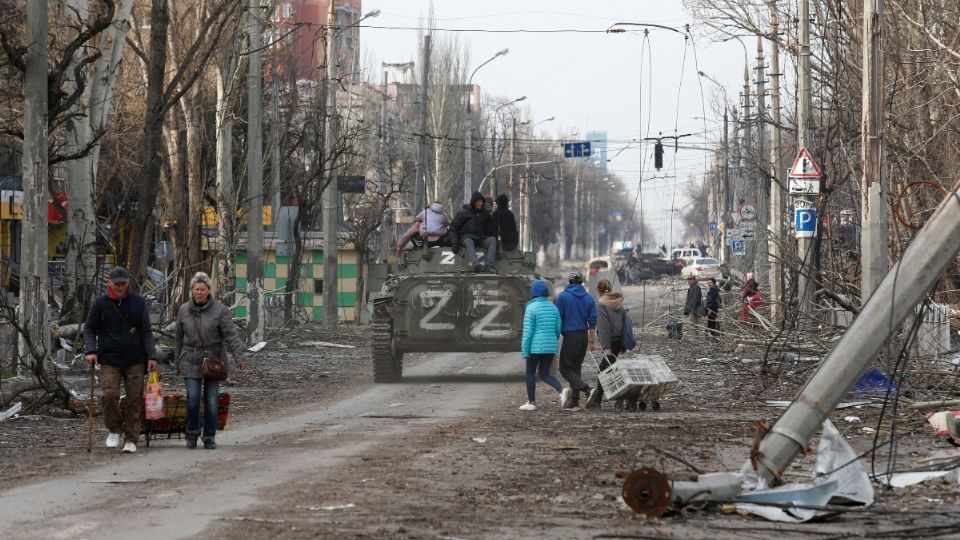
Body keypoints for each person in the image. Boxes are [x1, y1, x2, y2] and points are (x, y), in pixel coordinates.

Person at [83, 266, 158, 454]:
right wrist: (91, 350)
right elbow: (90, 329)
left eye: (123, 284)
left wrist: (152, 356)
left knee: (134, 399)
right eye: (116, 284)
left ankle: (131, 438)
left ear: (128, 284)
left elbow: (146, 331)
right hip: (109, 358)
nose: (119, 287)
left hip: (135, 358)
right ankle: (114, 429)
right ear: (109, 283)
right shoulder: (100, 303)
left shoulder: (138, 303)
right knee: (109, 395)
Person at [175, 272, 245, 449]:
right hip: (190, 358)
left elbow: (231, 336)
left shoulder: (220, 310)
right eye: (196, 289)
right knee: (193, 397)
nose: (199, 292)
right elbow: (178, 338)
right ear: (191, 290)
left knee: (211, 399)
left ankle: (209, 436)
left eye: (203, 289)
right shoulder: (183, 310)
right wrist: (177, 362)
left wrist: (240, 358)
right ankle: (191, 433)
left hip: (213, 359)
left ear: (208, 291)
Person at [518, 279, 565, 411]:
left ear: (533, 293)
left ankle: (531, 402)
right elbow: (557, 329)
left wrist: (525, 350)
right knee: (545, 374)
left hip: (534, 347)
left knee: (530, 373)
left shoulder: (530, 308)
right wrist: (552, 342)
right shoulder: (553, 307)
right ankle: (562, 390)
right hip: (550, 347)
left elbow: (528, 332)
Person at [555, 270, 599, 410]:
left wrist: (555, 336)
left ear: (569, 281)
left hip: (570, 336)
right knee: (575, 368)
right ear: (581, 282)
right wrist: (591, 340)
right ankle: (574, 401)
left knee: (564, 369)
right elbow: (592, 321)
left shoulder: (562, 297)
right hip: (583, 335)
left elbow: (558, 319)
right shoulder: (589, 298)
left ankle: (587, 390)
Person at [593, 279, 633, 410]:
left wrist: (606, 347)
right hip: (618, 342)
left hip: (609, 343)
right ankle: (598, 400)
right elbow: (624, 325)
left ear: (599, 290)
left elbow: (603, 327)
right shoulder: (618, 304)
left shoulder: (601, 305)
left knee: (605, 371)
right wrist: (623, 344)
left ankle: (618, 400)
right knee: (606, 369)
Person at [449, 191, 497, 272]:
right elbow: (453, 228)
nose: (481, 203)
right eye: (478, 201)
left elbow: (490, 230)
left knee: (492, 240)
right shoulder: (464, 213)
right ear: (474, 202)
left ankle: (490, 266)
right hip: (466, 238)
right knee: (469, 241)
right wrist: (454, 243)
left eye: (482, 201)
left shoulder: (485, 214)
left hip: (480, 238)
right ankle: (475, 264)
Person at [705, 277, 722, 341]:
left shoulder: (713, 289)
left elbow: (712, 301)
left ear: (713, 283)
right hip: (714, 308)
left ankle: (714, 337)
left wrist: (709, 309)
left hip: (712, 309)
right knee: (712, 322)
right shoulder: (715, 288)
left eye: (710, 282)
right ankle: (713, 336)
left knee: (711, 322)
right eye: (708, 283)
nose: (709, 284)